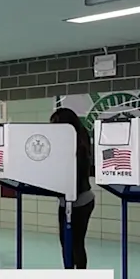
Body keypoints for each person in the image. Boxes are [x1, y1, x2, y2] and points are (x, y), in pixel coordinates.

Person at [50, 108, 95, 269]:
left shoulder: (77, 146)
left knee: (74, 244)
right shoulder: (76, 141)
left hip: (78, 201)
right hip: (72, 201)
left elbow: (75, 177)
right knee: (69, 243)